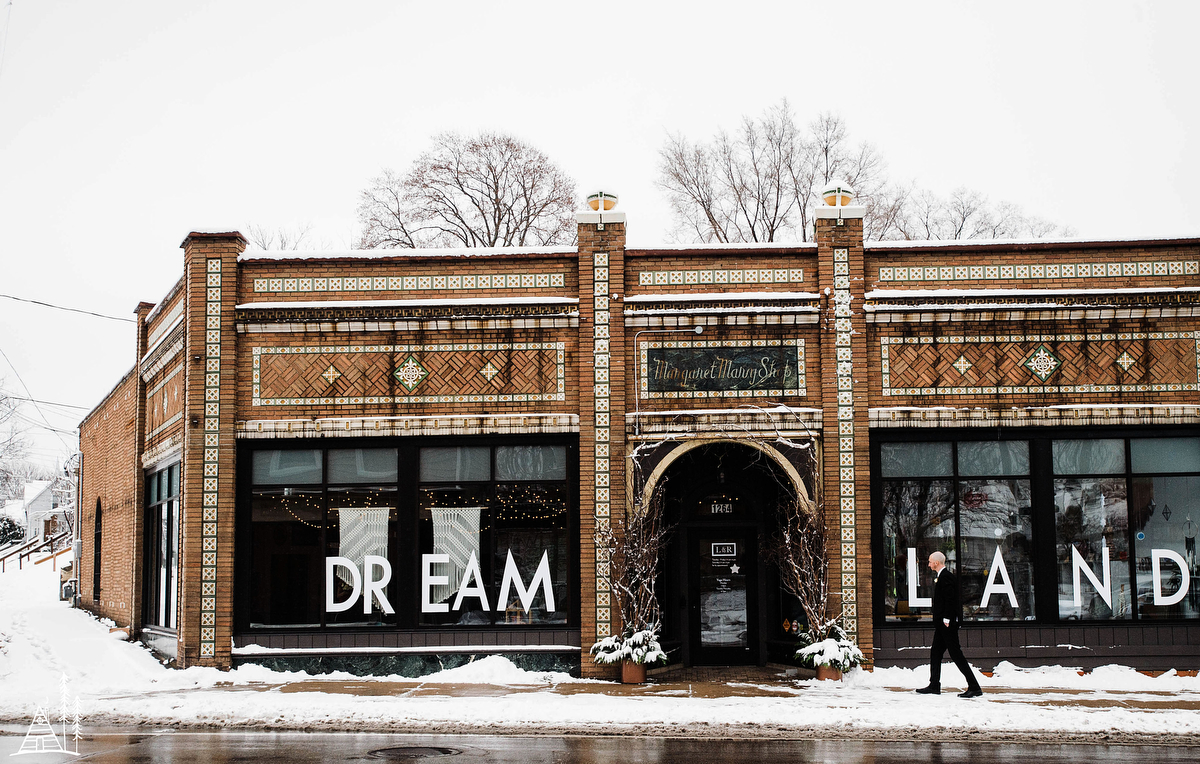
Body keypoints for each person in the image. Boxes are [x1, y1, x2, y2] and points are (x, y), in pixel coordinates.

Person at [915, 551, 984, 698]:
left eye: (930, 562)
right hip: (943, 624)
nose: (928, 564)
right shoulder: (943, 576)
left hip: (946, 624)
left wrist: (947, 618)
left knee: (956, 654)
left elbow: (950, 599)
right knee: (935, 652)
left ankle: (974, 686)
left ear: (936, 563)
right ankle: (934, 684)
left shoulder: (946, 577)